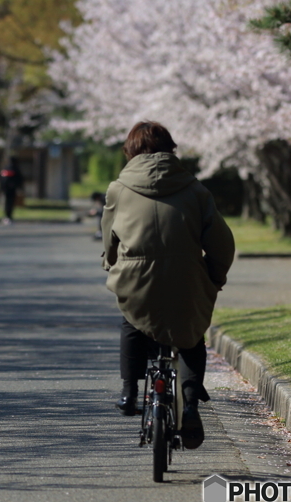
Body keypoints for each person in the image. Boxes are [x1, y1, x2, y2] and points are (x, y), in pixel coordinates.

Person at [100, 121, 234, 450]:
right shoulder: (196, 190)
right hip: (187, 276)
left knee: (131, 322)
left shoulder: (119, 188)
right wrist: (215, 276)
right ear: (171, 149)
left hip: (135, 277)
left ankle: (129, 392)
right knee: (190, 333)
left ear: (130, 151)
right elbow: (221, 243)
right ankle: (189, 404)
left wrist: (112, 261)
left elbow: (110, 237)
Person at [0, 158, 24, 224]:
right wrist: (20, 187)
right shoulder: (16, 169)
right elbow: (20, 179)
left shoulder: (5, 168)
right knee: (11, 203)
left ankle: (7, 216)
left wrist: (1, 188)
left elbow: (1, 179)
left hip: (5, 189)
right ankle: (9, 216)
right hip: (12, 189)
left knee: (6, 203)